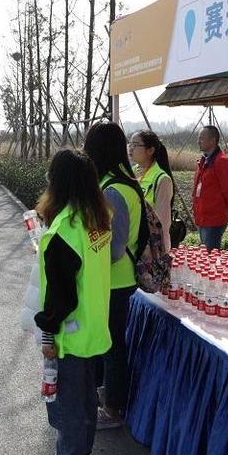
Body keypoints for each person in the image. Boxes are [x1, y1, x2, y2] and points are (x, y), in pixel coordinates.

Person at [26, 148, 112, 455]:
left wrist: (47, 332)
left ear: (57, 183)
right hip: (94, 329)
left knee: (69, 407)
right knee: (87, 402)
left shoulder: (63, 231)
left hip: (71, 333)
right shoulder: (96, 219)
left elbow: (60, 297)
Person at [83, 122, 142, 430]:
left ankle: (113, 409)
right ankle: (107, 400)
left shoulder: (113, 191)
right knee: (111, 345)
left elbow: (114, 249)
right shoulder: (120, 183)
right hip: (116, 281)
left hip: (114, 282)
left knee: (112, 347)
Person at [193, 125, 228, 252]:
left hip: (214, 219)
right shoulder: (204, 161)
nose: (198, 141)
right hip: (203, 217)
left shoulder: (222, 162)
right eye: (198, 138)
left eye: (202, 138)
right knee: (205, 256)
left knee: (210, 258)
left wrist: (225, 208)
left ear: (213, 140)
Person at [129, 129, 175, 252]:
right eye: (130, 144)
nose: (130, 148)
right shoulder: (131, 173)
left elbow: (162, 223)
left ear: (150, 150)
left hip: (152, 248)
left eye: (135, 145)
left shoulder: (162, 179)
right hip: (133, 243)